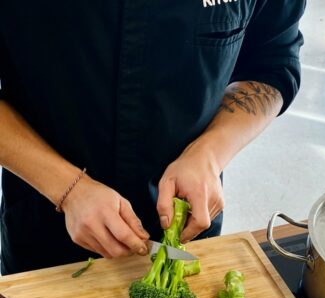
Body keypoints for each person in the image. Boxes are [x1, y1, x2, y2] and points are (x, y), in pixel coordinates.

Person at [0, 1, 306, 275]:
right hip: (43, 229)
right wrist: (68, 189)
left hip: (189, 225)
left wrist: (209, 154)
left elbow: (273, 64)